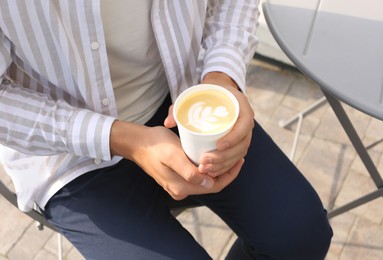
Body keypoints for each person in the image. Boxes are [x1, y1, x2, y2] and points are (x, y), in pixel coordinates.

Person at [0, 1, 333, 259]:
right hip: (67, 152)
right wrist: (124, 139)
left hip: (182, 99)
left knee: (301, 237)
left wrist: (223, 76)